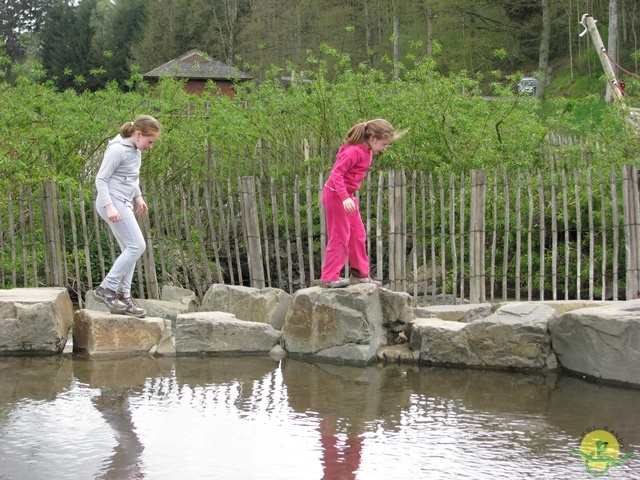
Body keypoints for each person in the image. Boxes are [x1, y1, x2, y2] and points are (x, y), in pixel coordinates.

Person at [320, 118, 405, 288]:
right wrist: (344, 198)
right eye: (384, 144)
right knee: (340, 235)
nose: (385, 148)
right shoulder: (354, 152)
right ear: (373, 138)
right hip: (336, 195)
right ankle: (329, 277)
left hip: (347, 196)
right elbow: (336, 173)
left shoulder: (367, 151)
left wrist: (347, 197)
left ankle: (359, 274)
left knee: (358, 234)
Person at [92, 115, 161, 317]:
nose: (150, 146)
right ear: (138, 134)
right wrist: (109, 206)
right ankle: (106, 288)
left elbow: (131, 176)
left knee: (128, 250)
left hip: (124, 202)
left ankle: (123, 296)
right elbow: (101, 180)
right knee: (137, 246)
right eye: (150, 142)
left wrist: (138, 197)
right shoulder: (116, 150)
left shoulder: (136, 149)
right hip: (113, 203)